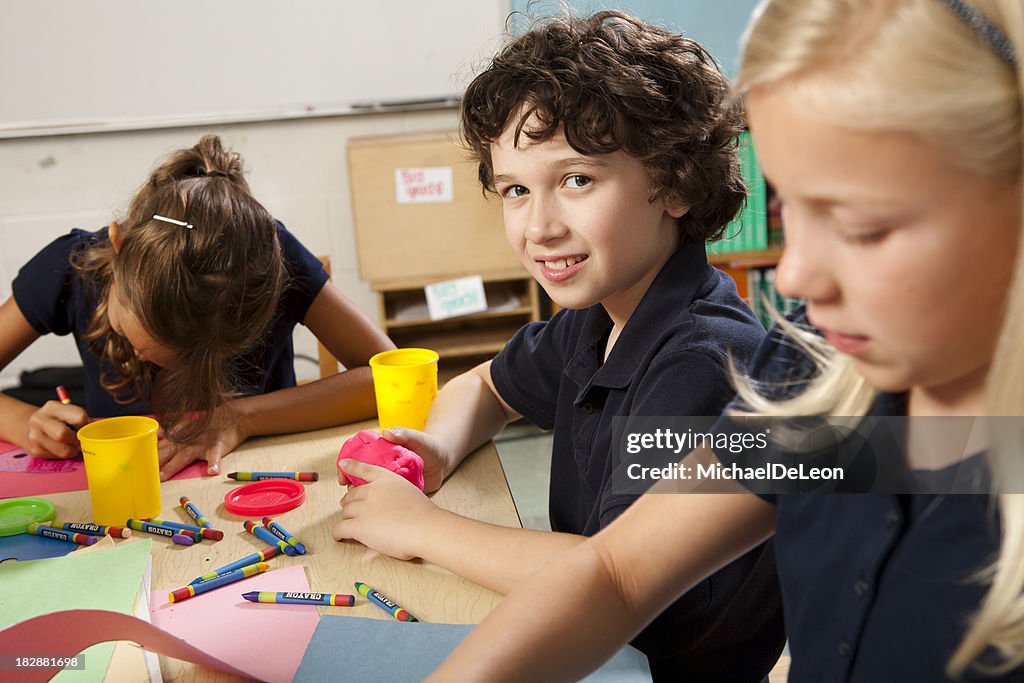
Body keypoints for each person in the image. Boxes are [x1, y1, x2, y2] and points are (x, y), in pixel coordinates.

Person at [426, 0, 1024, 681]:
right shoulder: (810, 370)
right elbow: (619, 570)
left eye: (861, 224)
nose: (795, 273)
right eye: (792, 207)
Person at [332, 11, 784, 681]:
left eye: (577, 180)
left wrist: (419, 527)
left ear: (677, 183)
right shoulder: (599, 317)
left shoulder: (702, 361)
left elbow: (607, 577)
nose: (539, 226)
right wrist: (438, 447)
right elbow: (482, 386)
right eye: (516, 189)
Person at [0, 135, 394, 479]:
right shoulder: (72, 267)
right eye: (134, 338)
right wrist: (22, 422)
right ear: (119, 250)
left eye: (192, 360)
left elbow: (390, 378)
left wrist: (242, 416)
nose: (154, 363)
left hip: (255, 479)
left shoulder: (265, 261)